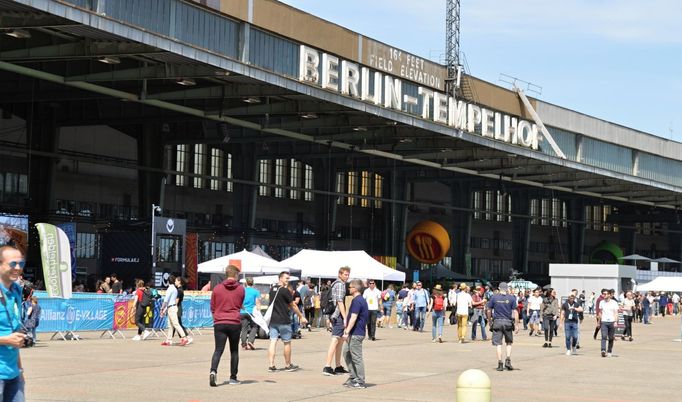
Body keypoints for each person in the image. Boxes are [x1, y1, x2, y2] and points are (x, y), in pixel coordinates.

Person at [209, 264, 245, 386]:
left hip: (219, 322)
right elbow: (240, 304)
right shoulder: (240, 289)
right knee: (234, 351)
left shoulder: (217, 288)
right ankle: (233, 378)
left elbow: (212, 307)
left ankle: (213, 371)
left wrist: (217, 317)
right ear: (235, 274)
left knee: (218, 349)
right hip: (234, 322)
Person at [0, 245, 27, 401]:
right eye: (12, 264)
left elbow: (13, 331)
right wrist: (5, 340)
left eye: (21, 264)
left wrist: (20, 369)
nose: (18, 268)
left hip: (13, 373)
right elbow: (9, 337)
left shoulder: (16, 291)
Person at [268, 271, 307, 372]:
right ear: (280, 278)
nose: (287, 280)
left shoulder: (272, 289)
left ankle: (271, 365)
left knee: (273, 341)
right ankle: (287, 364)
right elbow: (293, 305)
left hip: (273, 320)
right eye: (286, 278)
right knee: (287, 343)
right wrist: (301, 316)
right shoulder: (285, 290)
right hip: (283, 320)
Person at [323, 267, 351, 376]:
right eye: (345, 274)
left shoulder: (337, 283)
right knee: (335, 340)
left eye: (348, 274)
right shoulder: (340, 284)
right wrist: (345, 318)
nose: (347, 276)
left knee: (339, 341)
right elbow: (340, 302)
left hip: (335, 315)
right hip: (337, 315)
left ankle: (338, 366)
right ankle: (327, 366)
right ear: (340, 274)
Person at [342, 279, 369, 389]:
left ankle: (360, 380)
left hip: (356, 333)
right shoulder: (357, 300)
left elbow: (353, 317)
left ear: (355, 289)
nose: (349, 289)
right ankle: (353, 377)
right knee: (346, 353)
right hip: (354, 333)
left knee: (356, 357)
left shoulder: (357, 300)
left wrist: (347, 331)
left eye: (350, 287)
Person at [486, 282, 519, 371]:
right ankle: (508, 360)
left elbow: (489, 310)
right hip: (508, 322)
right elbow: (515, 312)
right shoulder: (512, 298)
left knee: (498, 344)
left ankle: (500, 363)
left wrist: (489, 321)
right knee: (509, 342)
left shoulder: (494, 297)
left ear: (499, 288)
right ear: (507, 288)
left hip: (497, 322)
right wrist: (516, 324)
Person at [160, 275, 190, 346]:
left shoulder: (170, 289)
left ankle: (184, 337)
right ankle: (169, 340)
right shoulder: (175, 289)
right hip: (173, 307)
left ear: (168, 282)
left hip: (171, 307)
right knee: (170, 325)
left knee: (175, 324)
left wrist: (162, 309)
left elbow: (166, 300)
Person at [240, 277, 261, 350]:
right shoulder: (256, 292)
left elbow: (240, 301)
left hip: (243, 311)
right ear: (253, 283)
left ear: (246, 283)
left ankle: (243, 344)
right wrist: (259, 312)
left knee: (244, 328)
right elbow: (257, 303)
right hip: (252, 312)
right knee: (254, 327)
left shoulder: (242, 291)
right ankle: (250, 342)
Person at [598, 289, 619, 357]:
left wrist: (615, 321)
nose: (604, 295)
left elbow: (616, 313)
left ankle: (609, 351)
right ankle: (603, 350)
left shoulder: (614, 303)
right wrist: (599, 321)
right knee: (604, 336)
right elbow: (600, 312)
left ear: (609, 295)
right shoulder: (601, 302)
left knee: (610, 338)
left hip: (612, 322)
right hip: (604, 322)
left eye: (606, 294)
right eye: (603, 294)